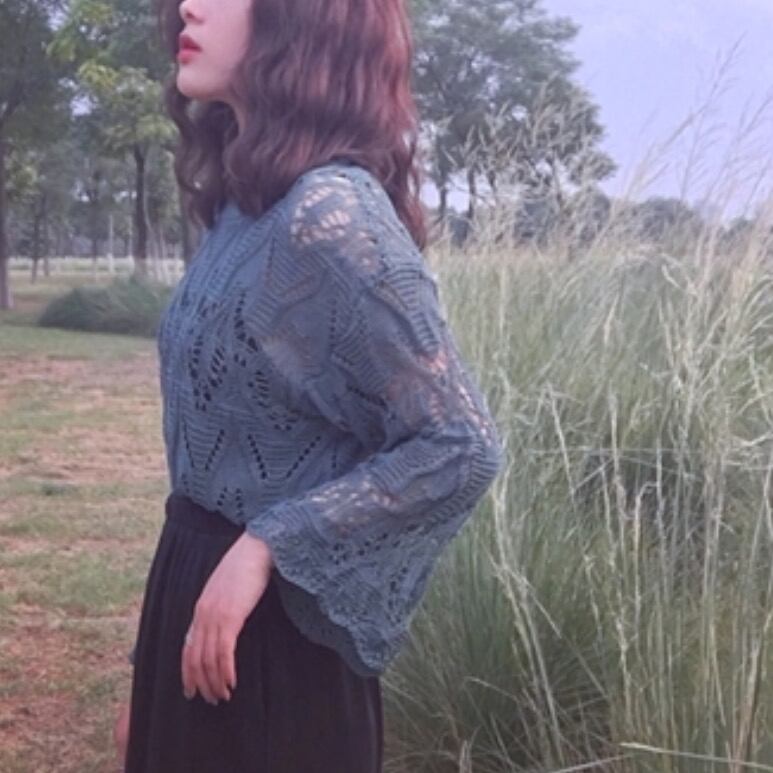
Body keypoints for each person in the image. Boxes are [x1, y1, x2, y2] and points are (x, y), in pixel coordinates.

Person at [115, 0, 506, 770]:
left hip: (276, 651)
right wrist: (148, 670)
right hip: (199, 606)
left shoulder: (330, 212)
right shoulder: (243, 206)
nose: (188, 4)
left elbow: (458, 444)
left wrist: (269, 542)